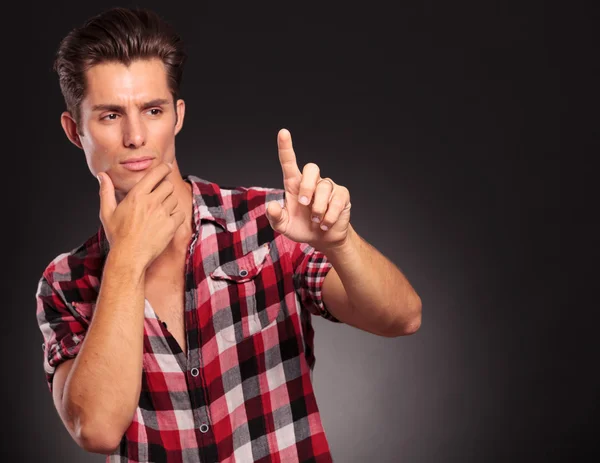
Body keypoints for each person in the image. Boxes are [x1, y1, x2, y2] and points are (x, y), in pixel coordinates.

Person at [35, 6, 422, 462]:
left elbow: (403, 318)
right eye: (109, 116)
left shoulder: (267, 221)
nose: (136, 136)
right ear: (74, 131)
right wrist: (126, 259)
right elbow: (95, 430)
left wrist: (339, 242)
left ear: (177, 116)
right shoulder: (66, 282)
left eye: (152, 110)